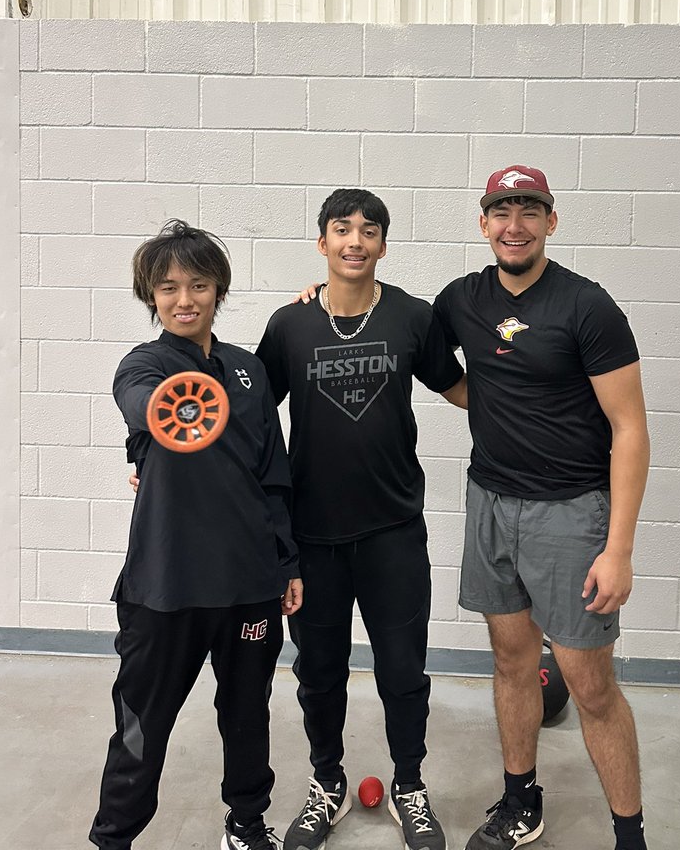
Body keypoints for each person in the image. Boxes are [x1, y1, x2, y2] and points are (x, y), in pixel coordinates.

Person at [431, 166, 651, 850]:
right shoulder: (460, 300)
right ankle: (522, 803)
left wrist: (618, 548)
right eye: (502, 210)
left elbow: (630, 429)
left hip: (570, 514)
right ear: (483, 222)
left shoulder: (588, 307)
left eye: (529, 210)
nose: (515, 224)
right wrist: (321, 297)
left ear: (550, 222)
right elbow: (418, 346)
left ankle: (629, 834)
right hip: (491, 503)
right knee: (511, 660)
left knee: (588, 684)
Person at [255, 188, 467, 850]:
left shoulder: (412, 317)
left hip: (392, 530)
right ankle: (328, 783)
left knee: (404, 670)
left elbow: (464, 391)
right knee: (318, 672)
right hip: (311, 536)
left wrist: (544, 407)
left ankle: (409, 785)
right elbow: (251, 419)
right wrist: (168, 460)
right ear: (322, 244)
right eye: (341, 230)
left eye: (368, 231)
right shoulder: (290, 327)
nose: (355, 241)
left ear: (382, 244)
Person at [90, 220, 302, 850]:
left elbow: (274, 477)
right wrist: (163, 413)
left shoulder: (248, 373)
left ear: (218, 291)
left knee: (247, 717)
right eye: (169, 287)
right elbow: (142, 405)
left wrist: (286, 563)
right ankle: (113, 838)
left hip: (248, 585)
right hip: (165, 588)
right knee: (141, 725)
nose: (185, 299)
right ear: (150, 297)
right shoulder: (144, 366)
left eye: (199, 285)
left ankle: (244, 822)